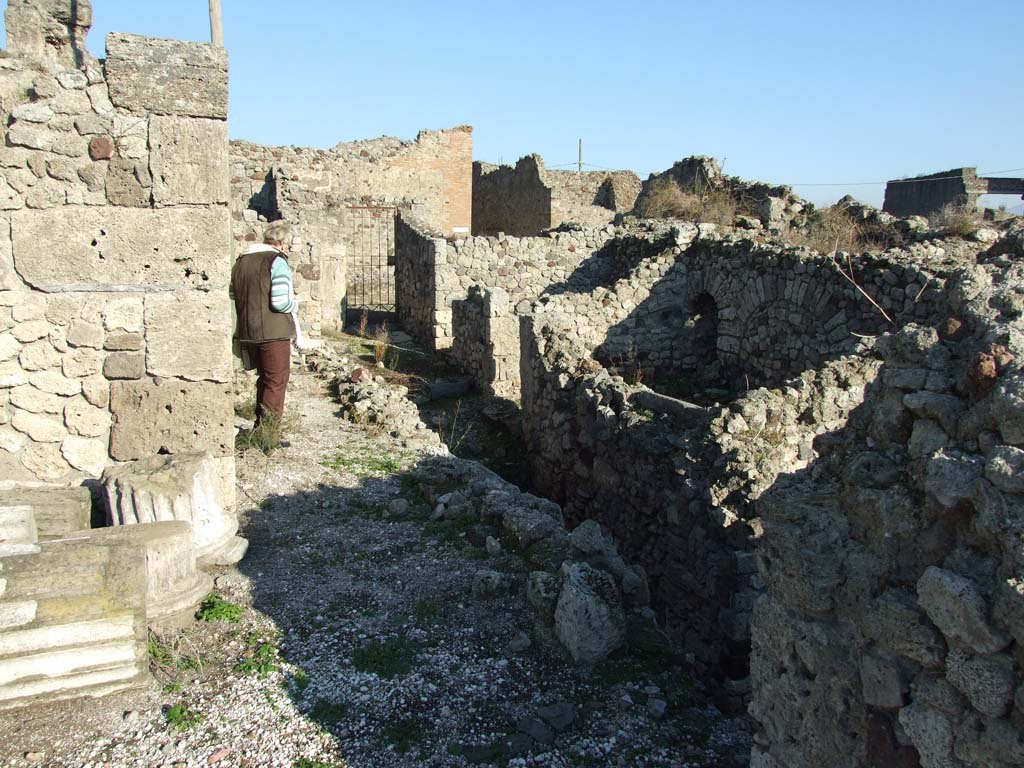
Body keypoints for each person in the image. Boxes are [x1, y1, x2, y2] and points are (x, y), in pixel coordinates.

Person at [230, 221, 297, 431]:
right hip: (273, 331)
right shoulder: (276, 261)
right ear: (283, 243)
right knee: (276, 380)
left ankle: (259, 426)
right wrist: (295, 304)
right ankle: (267, 433)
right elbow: (280, 302)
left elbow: (233, 293)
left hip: (248, 330)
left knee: (265, 379)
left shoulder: (241, 261)